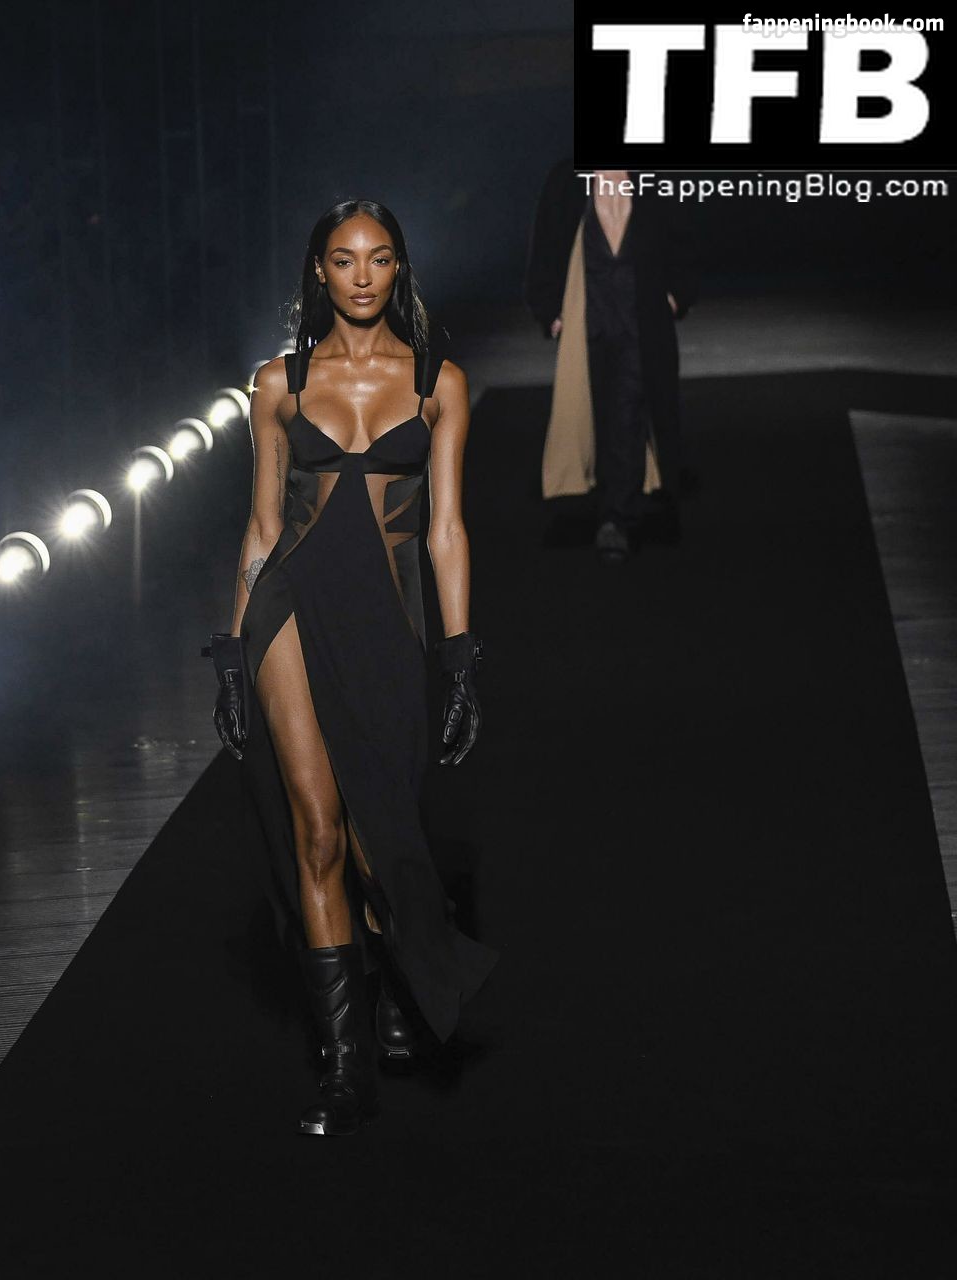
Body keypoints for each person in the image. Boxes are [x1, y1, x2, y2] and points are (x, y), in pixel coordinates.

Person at [210, 200, 498, 1137]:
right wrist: (232, 651)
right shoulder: (279, 384)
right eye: (344, 259)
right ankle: (344, 1070)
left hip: (389, 620)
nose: (362, 275)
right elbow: (261, 528)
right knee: (319, 831)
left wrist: (460, 657)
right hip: (290, 611)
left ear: (399, 269)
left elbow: (447, 530)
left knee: (384, 829)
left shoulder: (438, 383)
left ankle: (406, 982)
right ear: (319, 272)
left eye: (379, 258)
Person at [524, 164, 699, 563]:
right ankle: (607, 501)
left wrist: (677, 294)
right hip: (589, 318)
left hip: (641, 322)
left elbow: (682, 238)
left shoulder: (655, 179)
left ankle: (616, 518)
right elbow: (546, 244)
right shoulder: (567, 181)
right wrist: (548, 307)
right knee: (594, 410)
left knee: (629, 409)